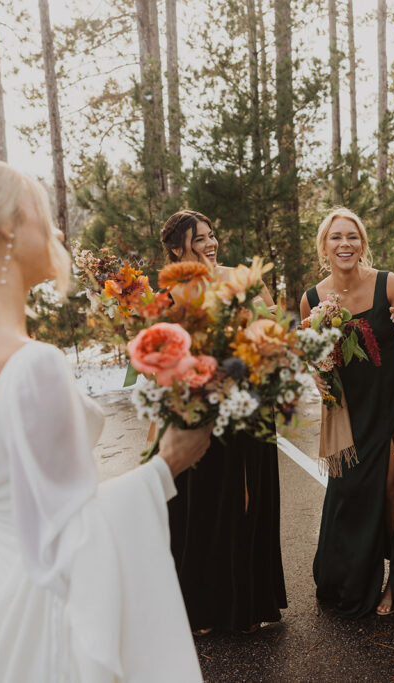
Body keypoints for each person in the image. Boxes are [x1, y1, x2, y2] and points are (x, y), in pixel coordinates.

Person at [0, 157, 210, 681]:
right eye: (41, 213)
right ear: (5, 226)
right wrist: (168, 465)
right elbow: (78, 538)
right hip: (36, 616)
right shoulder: (33, 365)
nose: (58, 230)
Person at [300, 207, 394, 617]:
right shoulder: (311, 298)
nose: (345, 244)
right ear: (324, 246)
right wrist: (317, 377)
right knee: (353, 493)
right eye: (336, 238)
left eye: (352, 237)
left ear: (362, 244)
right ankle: (353, 571)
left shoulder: (388, 284)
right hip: (349, 409)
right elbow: (314, 356)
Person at [159, 209, 286, 635]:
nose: (211, 244)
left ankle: (247, 603)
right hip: (201, 404)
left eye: (212, 235)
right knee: (206, 505)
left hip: (249, 400)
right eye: (200, 239)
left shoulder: (242, 276)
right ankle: (203, 607)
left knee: (248, 499)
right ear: (178, 249)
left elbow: (274, 325)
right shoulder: (171, 293)